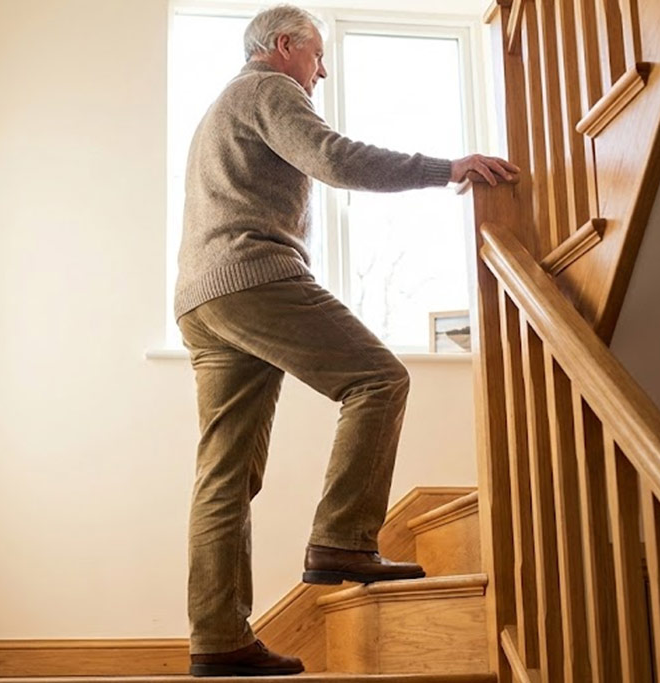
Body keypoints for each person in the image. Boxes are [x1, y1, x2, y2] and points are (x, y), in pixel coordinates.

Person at [175, 4, 518, 677]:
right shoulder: (269, 88)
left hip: (201, 299)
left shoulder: (220, 108)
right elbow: (333, 158)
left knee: (224, 475)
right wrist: (447, 167)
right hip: (253, 277)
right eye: (318, 55)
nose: (323, 71)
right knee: (378, 379)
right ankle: (343, 538)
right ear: (283, 45)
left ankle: (218, 638)